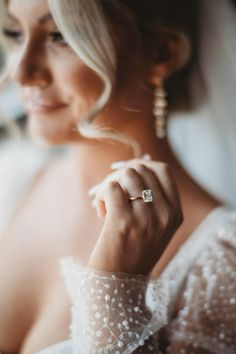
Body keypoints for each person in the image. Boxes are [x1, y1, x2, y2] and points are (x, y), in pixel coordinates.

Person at [0, 0, 235, 353]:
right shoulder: (10, 178)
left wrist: (117, 287)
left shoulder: (220, 263)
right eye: (17, 33)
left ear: (160, 54)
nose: (21, 71)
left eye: (60, 36)